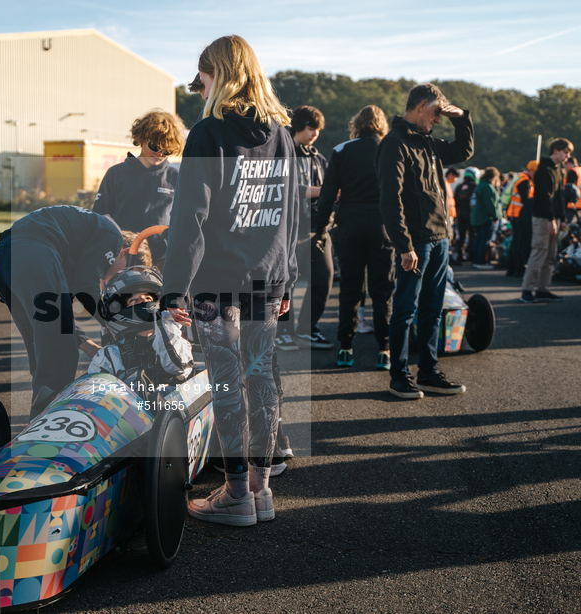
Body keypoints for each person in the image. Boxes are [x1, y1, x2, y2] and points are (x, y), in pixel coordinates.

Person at [162, 35, 299, 526]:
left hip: (217, 283)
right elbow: (290, 215)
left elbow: (189, 221)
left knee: (226, 381)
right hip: (267, 277)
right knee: (261, 379)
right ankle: (261, 493)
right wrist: (287, 279)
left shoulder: (207, 133)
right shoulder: (282, 134)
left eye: (202, 78)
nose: (199, 87)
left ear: (217, 73)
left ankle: (238, 494)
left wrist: (172, 289)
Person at [0, 206, 151, 418]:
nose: (115, 280)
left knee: (42, 347)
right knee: (60, 351)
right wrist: (121, 325)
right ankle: (52, 422)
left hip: (3, 259)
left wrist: (86, 343)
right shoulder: (111, 233)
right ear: (123, 253)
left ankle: (39, 421)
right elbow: (86, 288)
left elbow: (62, 318)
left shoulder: (81, 247)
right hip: (34, 253)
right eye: (123, 273)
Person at [377, 83, 473, 400]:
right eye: (435, 112)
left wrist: (460, 116)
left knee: (432, 309)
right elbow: (390, 201)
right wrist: (404, 245)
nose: (438, 120)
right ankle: (399, 376)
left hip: (439, 238)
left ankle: (429, 372)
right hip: (416, 243)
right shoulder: (394, 143)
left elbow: (463, 152)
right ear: (421, 106)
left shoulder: (428, 142)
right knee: (406, 309)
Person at [313, 105, 395, 369]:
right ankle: (385, 349)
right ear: (381, 124)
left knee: (350, 288)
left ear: (357, 123)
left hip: (349, 226)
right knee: (383, 290)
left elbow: (327, 195)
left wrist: (320, 228)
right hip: (383, 227)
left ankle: (346, 348)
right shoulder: (391, 148)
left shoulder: (341, 150)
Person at [93, 110, 186, 271]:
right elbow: (100, 219)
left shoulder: (176, 177)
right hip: (122, 259)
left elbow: (184, 223)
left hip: (162, 261)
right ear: (141, 139)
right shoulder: (116, 174)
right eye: (155, 146)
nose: (160, 154)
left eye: (167, 151)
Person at [275, 106, 332, 351]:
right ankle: (282, 331)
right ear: (298, 125)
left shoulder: (319, 158)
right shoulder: (281, 153)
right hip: (286, 231)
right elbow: (283, 187)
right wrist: (324, 191)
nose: (315, 134)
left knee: (324, 278)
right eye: (311, 128)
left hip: (318, 230)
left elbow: (330, 186)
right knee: (285, 283)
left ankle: (307, 329)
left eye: (318, 130)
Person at [91, 265, 194, 386]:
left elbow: (177, 368)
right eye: (134, 300)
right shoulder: (110, 356)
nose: (144, 301)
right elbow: (93, 391)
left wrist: (164, 322)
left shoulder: (180, 343)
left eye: (148, 298)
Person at [520, 138, 573, 303]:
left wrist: (561, 218)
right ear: (556, 150)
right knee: (539, 252)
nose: (567, 156)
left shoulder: (559, 170)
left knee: (551, 255)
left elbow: (559, 196)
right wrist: (551, 218)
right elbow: (543, 196)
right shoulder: (543, 169)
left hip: (553, 217)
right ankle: (527, 290)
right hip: (543, 217)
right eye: (565, 152)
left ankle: (543, 289)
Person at [505, 161, 537, 277]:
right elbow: (526, 200)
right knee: (520, 243)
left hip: (516, 214)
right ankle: (517, 267)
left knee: (516, 243)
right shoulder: (524, 181)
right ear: (532, 171)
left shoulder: (521, 179)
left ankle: (512, 267)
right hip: (519, 216)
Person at [470, 167, 501, 269]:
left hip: (476, 217)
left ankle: (475, 260)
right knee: (484, 240)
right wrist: (495, 216)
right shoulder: (487, 187)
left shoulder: (479, 186)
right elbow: (490, 204)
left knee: (478, 239)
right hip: (485, 218)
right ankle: (481, 262)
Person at [452, 167, 479, 264]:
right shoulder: (475, 186)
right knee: (472, 235)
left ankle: (459, 255)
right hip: (470, 214)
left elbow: (455, 200)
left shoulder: (459, 186)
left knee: (461, 235)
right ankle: (471, 255)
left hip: (460, 214)